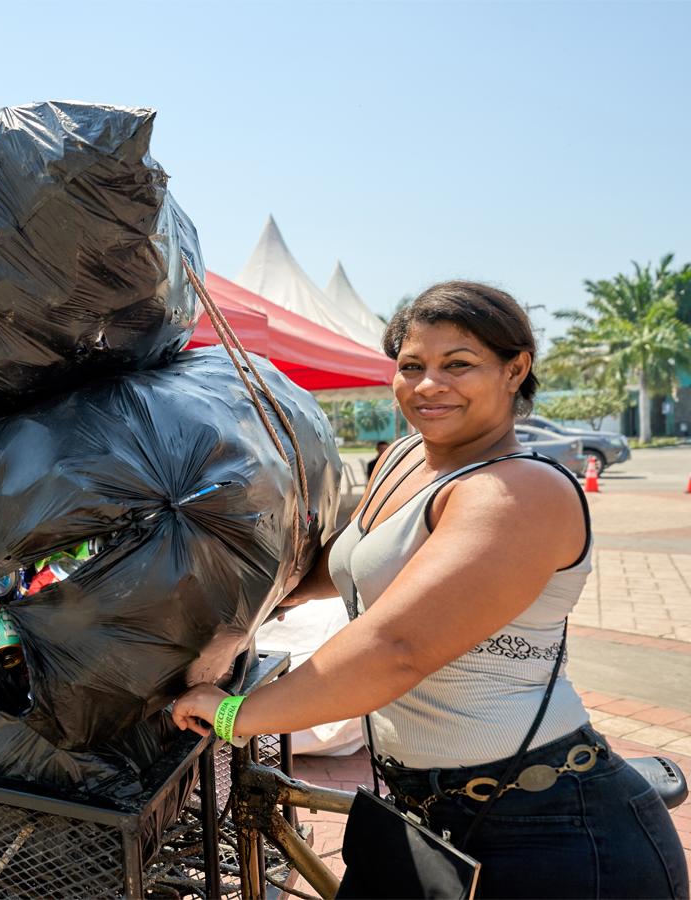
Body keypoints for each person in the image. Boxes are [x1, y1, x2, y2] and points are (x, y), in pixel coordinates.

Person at [174, 281, 687, 898]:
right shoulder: (406, 456)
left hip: (554, 826)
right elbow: (356, 551)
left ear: (514, 369)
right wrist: (273, 598)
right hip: (423, 810)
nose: (427, 386)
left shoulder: (522, 493)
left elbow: (397, 647)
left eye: (458, 365)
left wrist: (238, 714)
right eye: (411, 366)